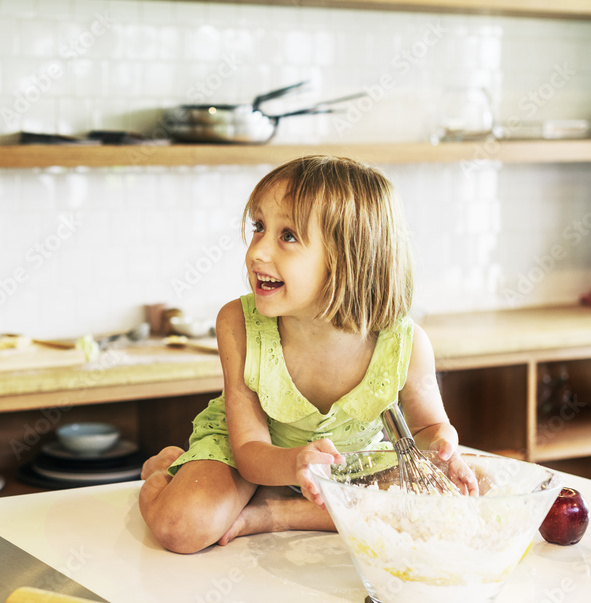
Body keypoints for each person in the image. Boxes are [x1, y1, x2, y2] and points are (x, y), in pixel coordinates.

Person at [138, 154, 478, 554]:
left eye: (287, 236)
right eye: (259, 227)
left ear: (350, 258)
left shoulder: (407, 343)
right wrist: (293, 463)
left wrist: (442, 447)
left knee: (453, 500)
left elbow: (425, 430)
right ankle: (168, 469)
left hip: (349, 466)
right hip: (256, 454)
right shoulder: (238, 325)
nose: (257, 253)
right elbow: (248, 450)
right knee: (182, 527)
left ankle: (274, 513)